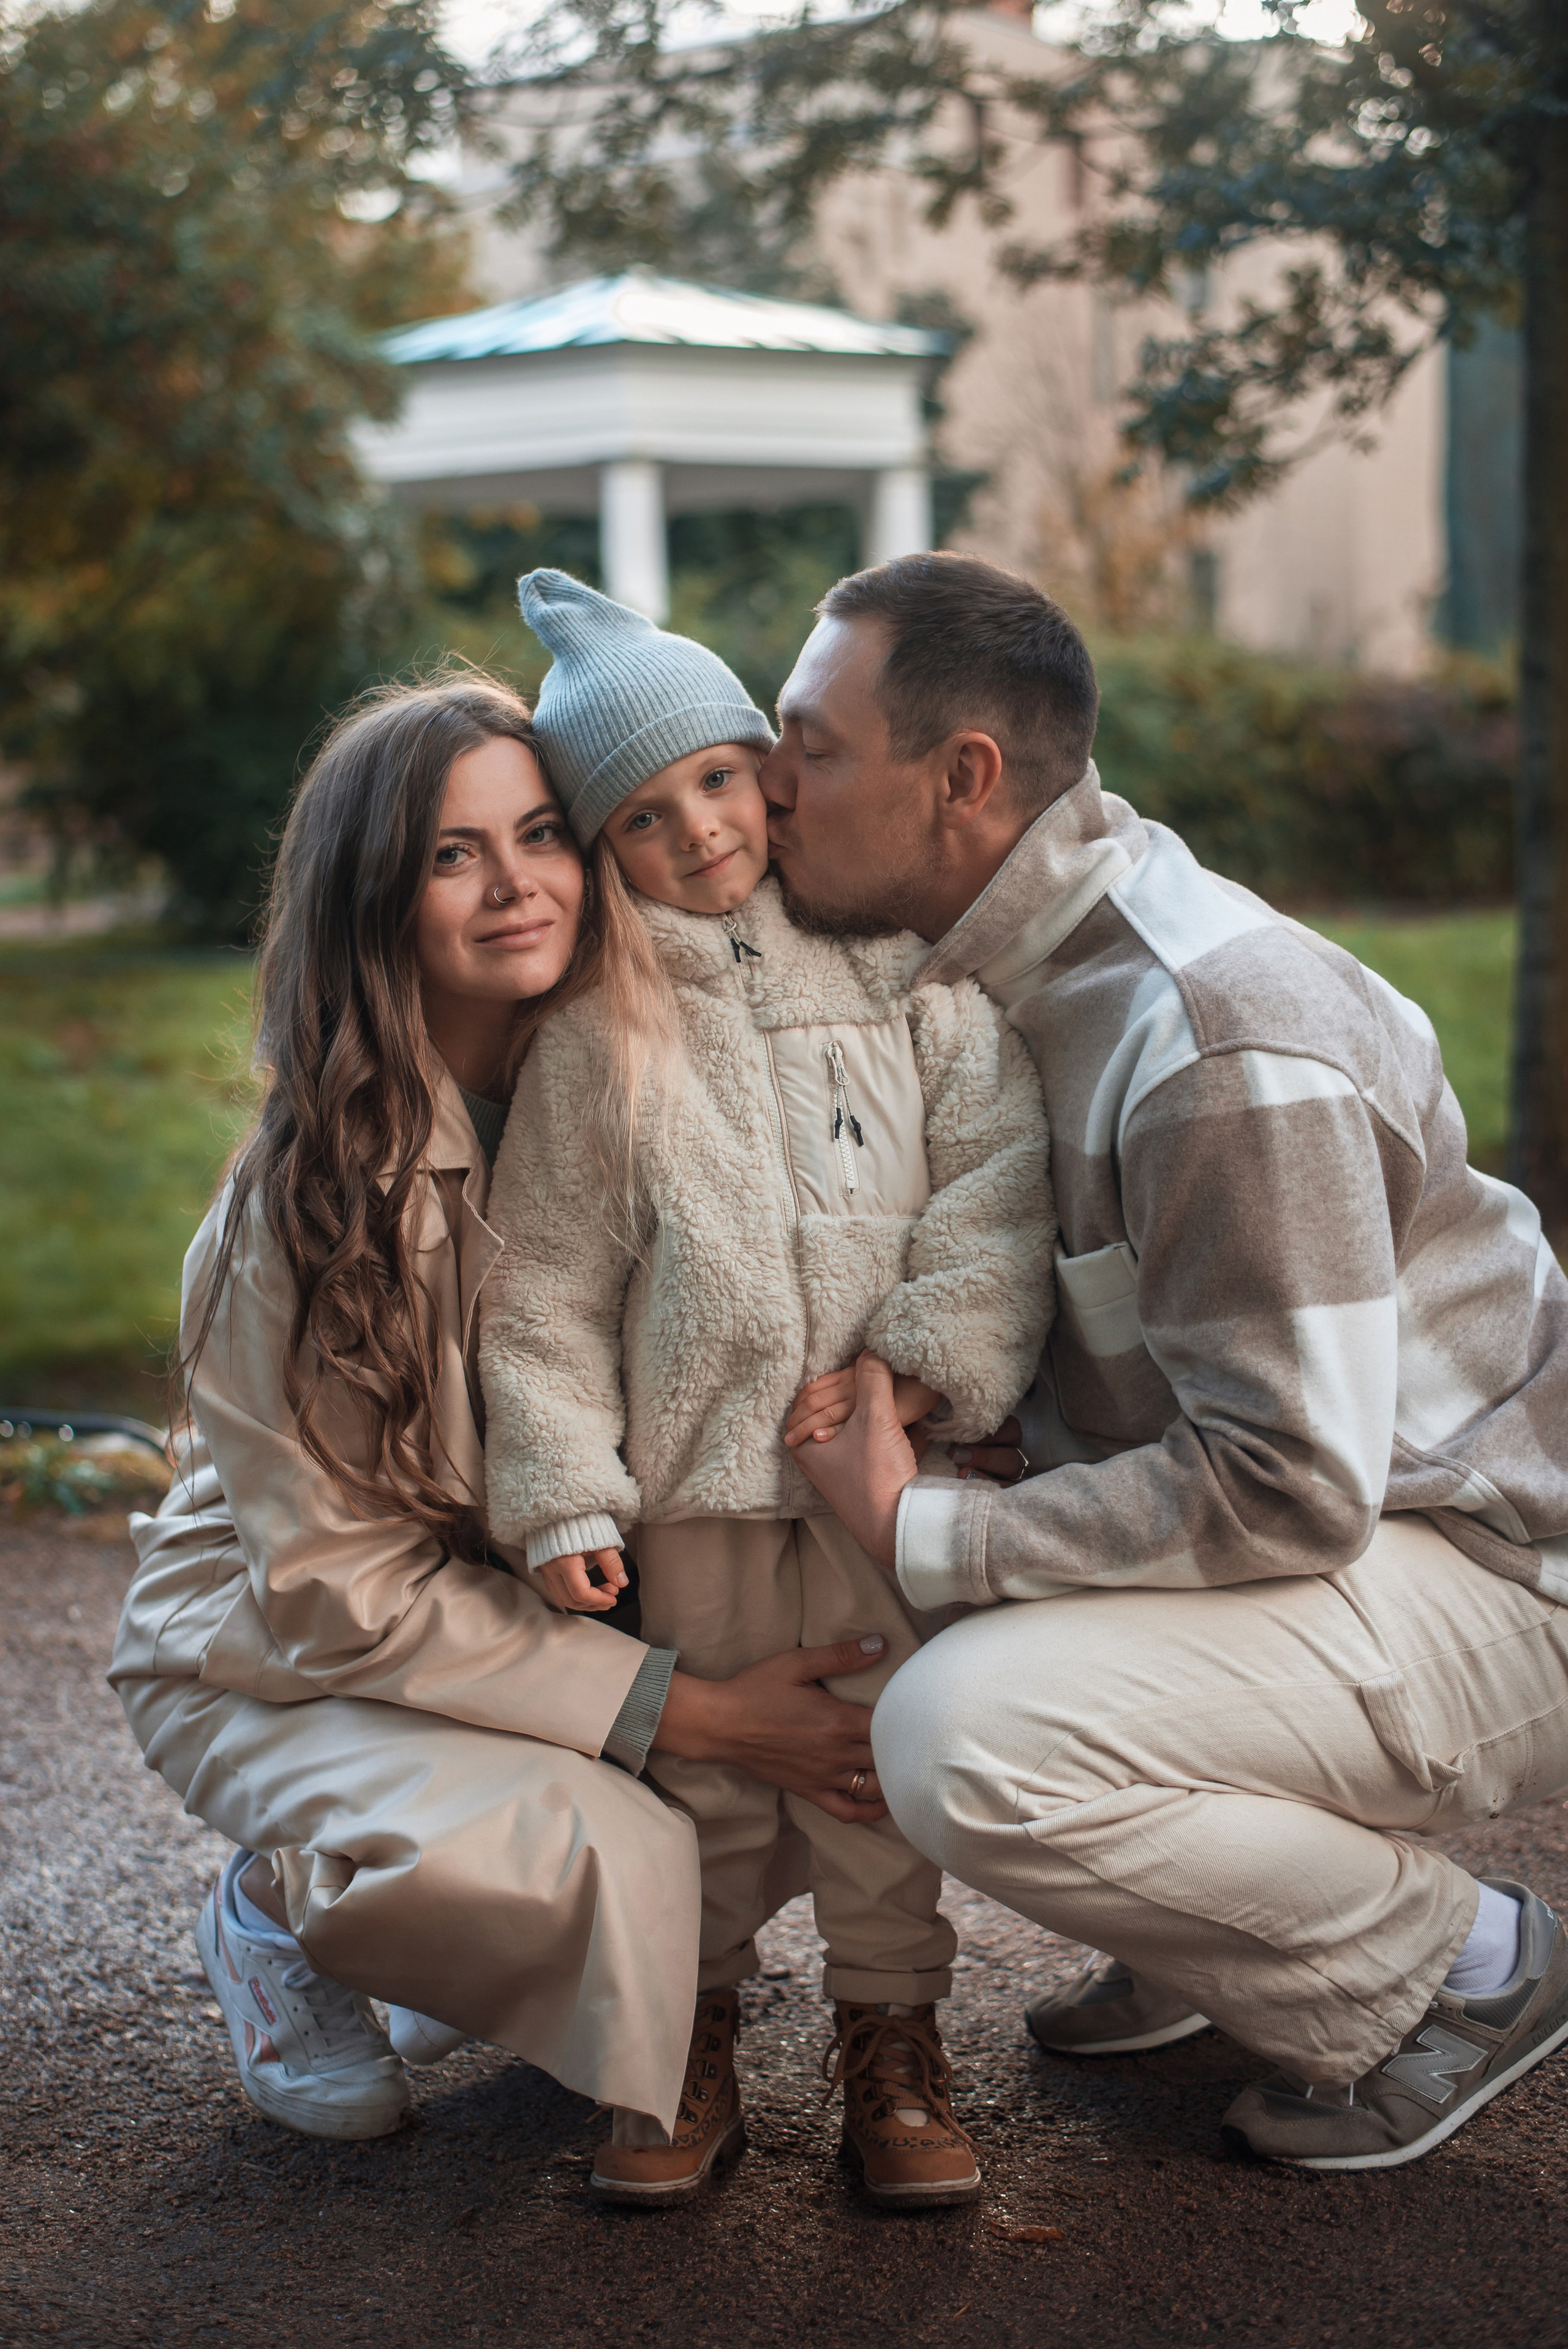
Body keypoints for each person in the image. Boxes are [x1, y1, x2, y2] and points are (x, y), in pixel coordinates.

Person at [766, 551, 1568, 2173]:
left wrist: (936, 1527)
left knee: (961, 1736)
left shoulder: (1209, 1036)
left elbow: (1289, 1482)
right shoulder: (1012, 974)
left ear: (962, 780)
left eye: (812, 746)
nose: (770, 788)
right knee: (906, 1589)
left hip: (1496, 1568)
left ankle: (1465, 1970)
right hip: (1364, 1523)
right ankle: (1222, 1935)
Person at [110, 669, 901, 2149]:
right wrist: (686, 1711)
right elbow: (337, 1599)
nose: (514, 886)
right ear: (373, 897)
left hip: (520, 1610)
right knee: (611, 1858)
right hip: (286, 1644)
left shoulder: (628, 1061)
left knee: (817, 1738)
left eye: (539, 833)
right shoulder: (303, 1202)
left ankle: (465, 1932)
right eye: (449, 854)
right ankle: (285, 1907)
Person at [478, 573, 1054, 2207]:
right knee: (713, 1781)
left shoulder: (890, 953)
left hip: (878, 1465)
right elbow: (544, 1281)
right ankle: (691, 2029)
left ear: (762, 761)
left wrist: (928, 1356)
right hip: (696, 1484)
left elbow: (999, 1174)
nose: (704, 831)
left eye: (720, 779)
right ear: (604, 847)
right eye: (647, 816)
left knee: (880, 1759)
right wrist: (563, 1486)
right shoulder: (604, 1030)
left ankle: (894, 2037)